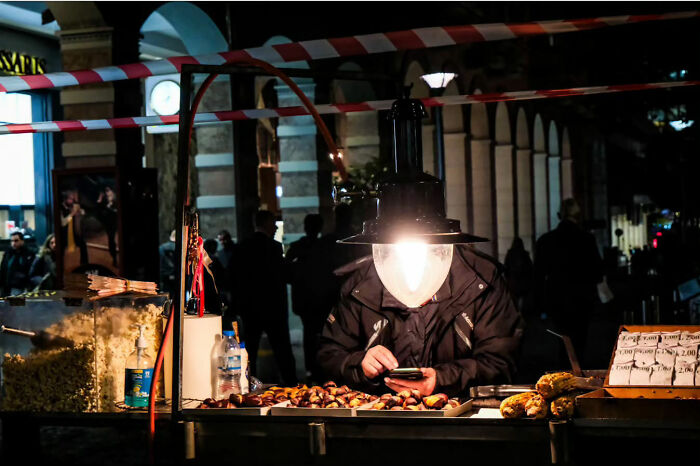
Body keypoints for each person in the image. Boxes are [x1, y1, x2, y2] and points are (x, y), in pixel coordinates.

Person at [318, 244, 522, 396]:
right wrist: (359, 364)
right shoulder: (361, 285)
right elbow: (329, 356)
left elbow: (501, 362)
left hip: (461, 428)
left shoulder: (481, 279)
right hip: (377, 427)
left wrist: (441, 380)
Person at [534, 198, 603, 364]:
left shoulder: (546, 240)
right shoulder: (587, 239)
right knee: (580, 342)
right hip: (582, 299)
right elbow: (597, 272)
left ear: (560, 215)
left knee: (562, 341)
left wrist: (540, 303)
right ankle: (577, 373)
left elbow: (537, 275)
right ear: (578, 216)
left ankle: (564, 373)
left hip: (556, 299)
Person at [238, 210, 297, 386]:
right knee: (282, 349)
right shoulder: (273, 247)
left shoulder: (243, 246)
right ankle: (291, 384)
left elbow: (235, 278)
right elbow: (283, 274)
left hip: (251, 307)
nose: (275, 227)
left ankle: (247, 384)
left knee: (250, 350)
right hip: (273, 307)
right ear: (266, 223)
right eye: (273, 223)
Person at [285, 214, 329, 381]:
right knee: (322, 334)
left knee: (309, 335)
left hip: (305, 300)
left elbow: (287, 273)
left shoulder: (297, 247)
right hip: (322, 299)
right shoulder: (325, 247)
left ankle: (311, 367)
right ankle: (320, 368)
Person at [504, 237, 534, 315]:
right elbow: (530, 268)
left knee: (514, 299)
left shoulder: (510, 254)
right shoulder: (524, 254)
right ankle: (523, 313)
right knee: (523, 298)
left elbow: (506, 267)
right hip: (523, 280)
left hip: (513, 280)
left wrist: (507, 278)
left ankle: (515, 313)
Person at [0, 231, 36, 296]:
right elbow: (3, 269)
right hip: (6, 287)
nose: (13, 243)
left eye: (16, 241)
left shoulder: (29, 254)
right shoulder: (8, 254)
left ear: (22, 241)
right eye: (12, 241)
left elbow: (31, 271)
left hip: (20, 287)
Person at [60, 190, 88, 266]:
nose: (72, 201)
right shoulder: (61, 208)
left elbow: (83, 213)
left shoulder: (73, 206)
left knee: (83, 245)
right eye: (70, 199)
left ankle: (84, 264)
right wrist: (72, 214)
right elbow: (63, 223)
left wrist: (80, 211)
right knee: (61, 250)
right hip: (64, 235)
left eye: (73, 199)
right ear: (65, 199)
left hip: (74, 233)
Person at [96, 185, 118, 267]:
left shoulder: (116, 200)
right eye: (106, 191)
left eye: (109, 191)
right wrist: (99, 200)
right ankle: (114, 258)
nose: (107, 193)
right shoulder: (104, 201)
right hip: (109, 224)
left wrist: (110, 207)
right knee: (111, 240)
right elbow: (99, 212)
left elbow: (116, 212)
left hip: (116, 223)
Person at [159, 230, 177, 298]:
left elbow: (160, 263)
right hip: (178, 277)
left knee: (167, 297)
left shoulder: (162, 248)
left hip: (165, 277)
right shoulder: (181, 249)